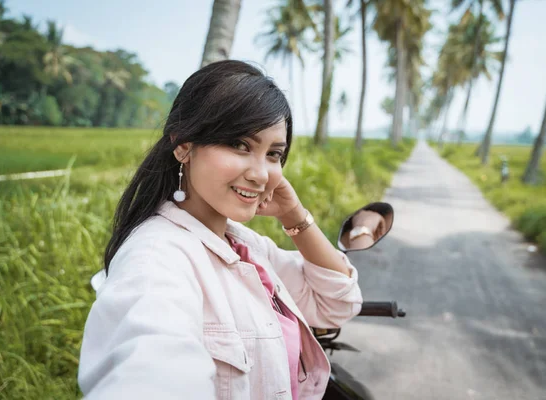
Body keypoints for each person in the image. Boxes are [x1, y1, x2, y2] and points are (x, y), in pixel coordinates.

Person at [78, 60, 368, 400]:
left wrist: (295, 216)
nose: (261, 174)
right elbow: (153, 367)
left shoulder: (243, 245)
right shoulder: (156, 259)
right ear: (183, 145)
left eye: (274, 154)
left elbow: (338, 302)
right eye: (240, 145)